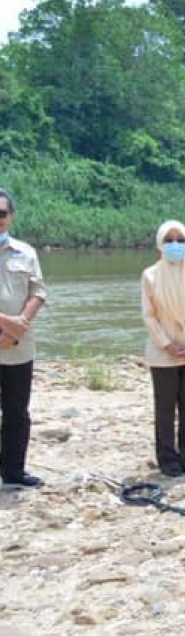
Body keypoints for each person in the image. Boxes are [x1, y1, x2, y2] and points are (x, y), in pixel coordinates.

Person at [141, 220, 185, 478]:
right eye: (169, 239)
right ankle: (168, 460)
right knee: (165, 408)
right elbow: (149, 316)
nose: (175, 244)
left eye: (180, 239)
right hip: (163, 353)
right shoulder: (150, 275)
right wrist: (167, 344)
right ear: (160, 243)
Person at [0, 188, 48, 489]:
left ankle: (14, 471)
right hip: (12, 334)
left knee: (17, 411)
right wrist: (9, 324)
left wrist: (21, 324)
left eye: (2, 214)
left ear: (11, 217)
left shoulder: (26, 253)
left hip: (19, 348)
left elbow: (38, 291)